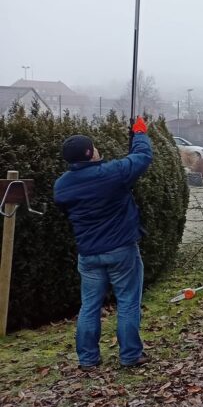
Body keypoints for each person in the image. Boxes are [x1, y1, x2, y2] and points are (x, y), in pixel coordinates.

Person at [54, 117, 153, 370]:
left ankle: (88, 358)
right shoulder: (112, 173)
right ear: (90, 154)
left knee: (89, 305)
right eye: (94, 147)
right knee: (128, 301)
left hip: (88, 253)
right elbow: (142, 157)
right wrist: (139, 133)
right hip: (122, 251)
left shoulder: (62, 185)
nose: (97, 149)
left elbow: (66, 210)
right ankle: (130, 355)